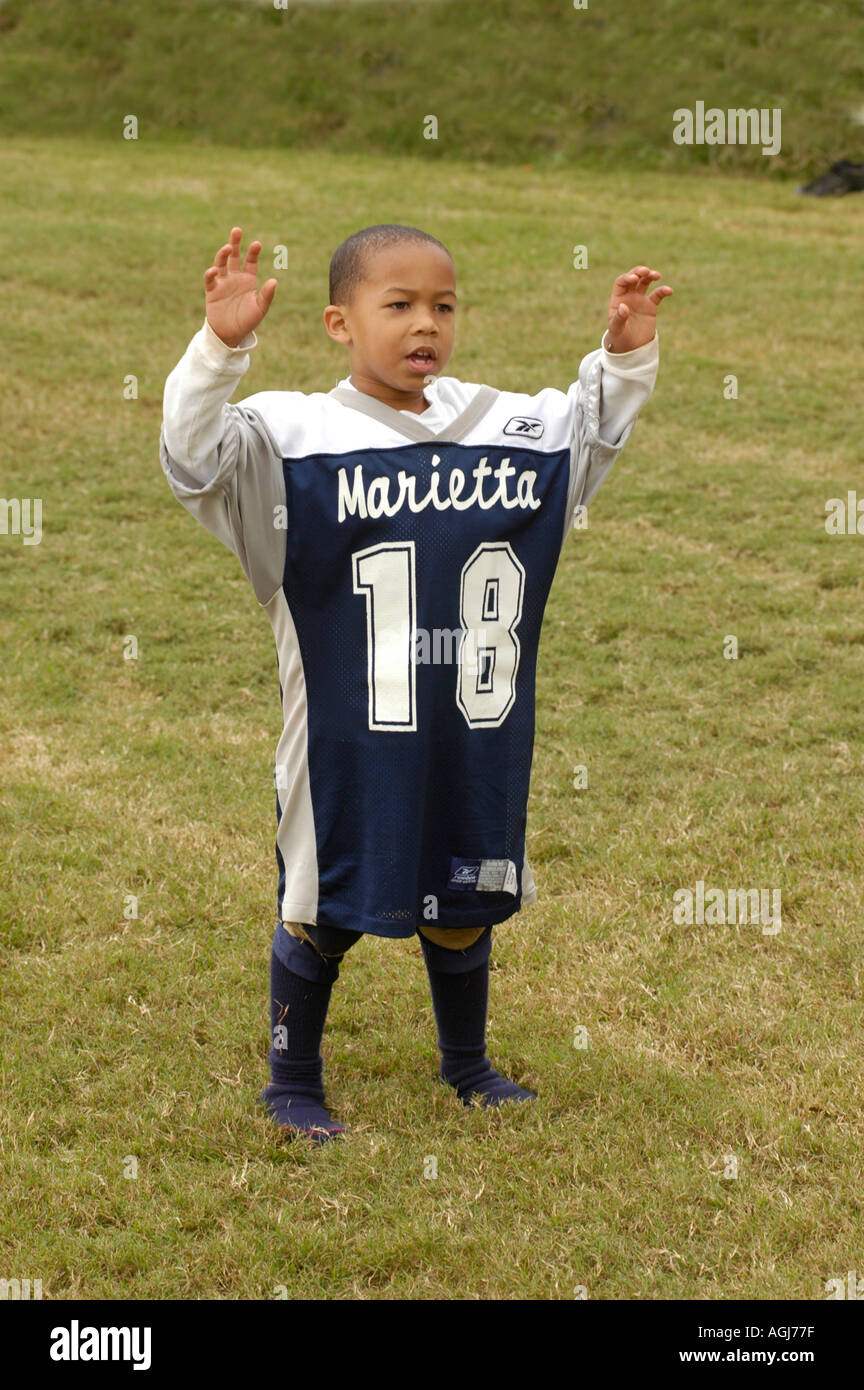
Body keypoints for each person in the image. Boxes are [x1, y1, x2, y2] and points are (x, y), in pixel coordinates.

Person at [159, 223, 672, 1143]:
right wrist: (219, 350)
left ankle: (467, 1064)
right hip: (348, 732)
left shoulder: (508, 425)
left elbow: (588, 442)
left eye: (441, 305)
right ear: (337, 322)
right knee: (322, 903)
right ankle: (292, 1079)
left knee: (465, 894)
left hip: (476, 726)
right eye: (396, 305)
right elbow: (194, 462)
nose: (424, 324)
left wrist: (625, 354)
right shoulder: (290, 435)